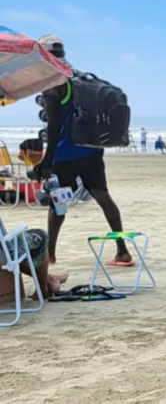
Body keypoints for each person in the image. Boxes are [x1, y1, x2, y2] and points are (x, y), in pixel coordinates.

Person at [34, 35, 133, 267]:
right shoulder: (75, 74)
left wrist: (47, 159)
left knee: (57, 204)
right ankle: (122, 251)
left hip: (66, 154)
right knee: (103, 196)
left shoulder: (52, 82)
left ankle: (50, 255)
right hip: (91, 149)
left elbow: (54, 125)